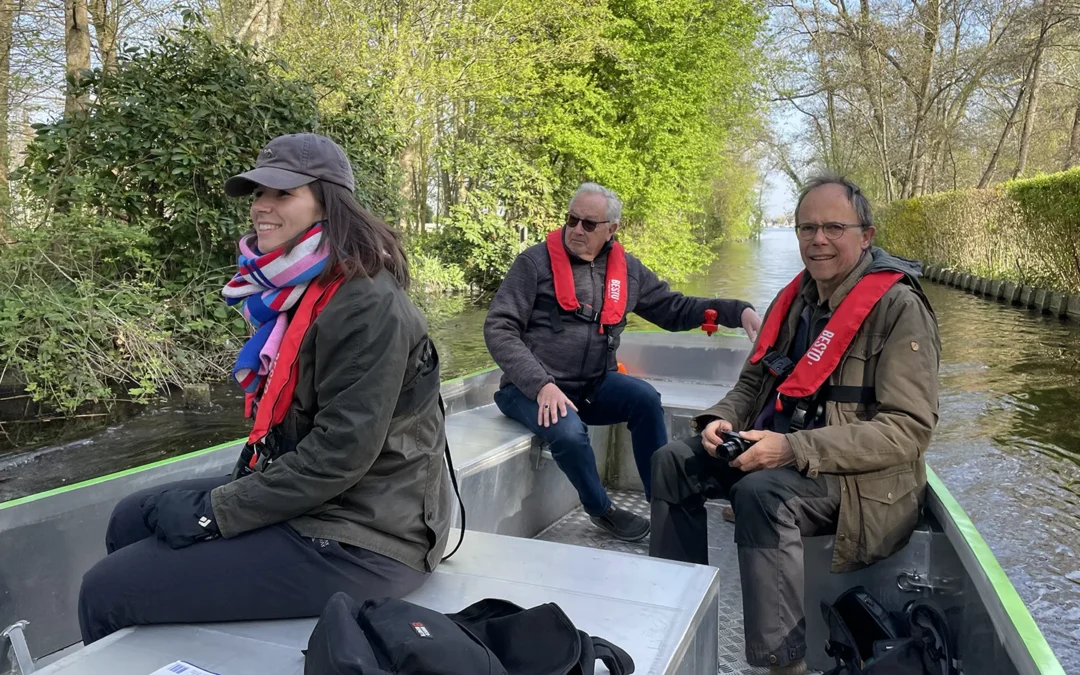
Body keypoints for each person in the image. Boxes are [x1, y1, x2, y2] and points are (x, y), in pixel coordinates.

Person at [78, 133, 452, 643]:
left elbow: (339, 456)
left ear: (328, 200)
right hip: (324, 504)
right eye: (258, 193)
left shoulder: (366, 305)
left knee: (106, 591)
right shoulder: (305, 289)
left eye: (282, 193)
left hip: (370, 535)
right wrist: (223, 503)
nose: (262, 207)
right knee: (132, 517)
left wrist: (213, 513)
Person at [648, 174, 941, 674]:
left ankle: (785, 666)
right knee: (672, 460)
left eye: (833, 227)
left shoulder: (899, 309)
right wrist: (721, 419)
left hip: (865, 485)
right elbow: (751, 384)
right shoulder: (798, 298)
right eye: (808, 228)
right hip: (789, 451)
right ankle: (677, 614)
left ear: (866, 235)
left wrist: (793, 449)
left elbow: (907, 432)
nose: (818, 240)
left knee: (760, 495)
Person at [484, 182, 762, 542]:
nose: (576, 230)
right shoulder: (534, 264)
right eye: (571, 220)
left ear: (611, 229)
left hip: (593, 385)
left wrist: (735, 311)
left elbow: (674, 309)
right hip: (529, 389)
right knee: (568, 431)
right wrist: (541, 384)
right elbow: (499, 328)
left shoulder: (626, 272)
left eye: (588, 224)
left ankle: (662, 501)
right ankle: (602, 510)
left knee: (645, 400)